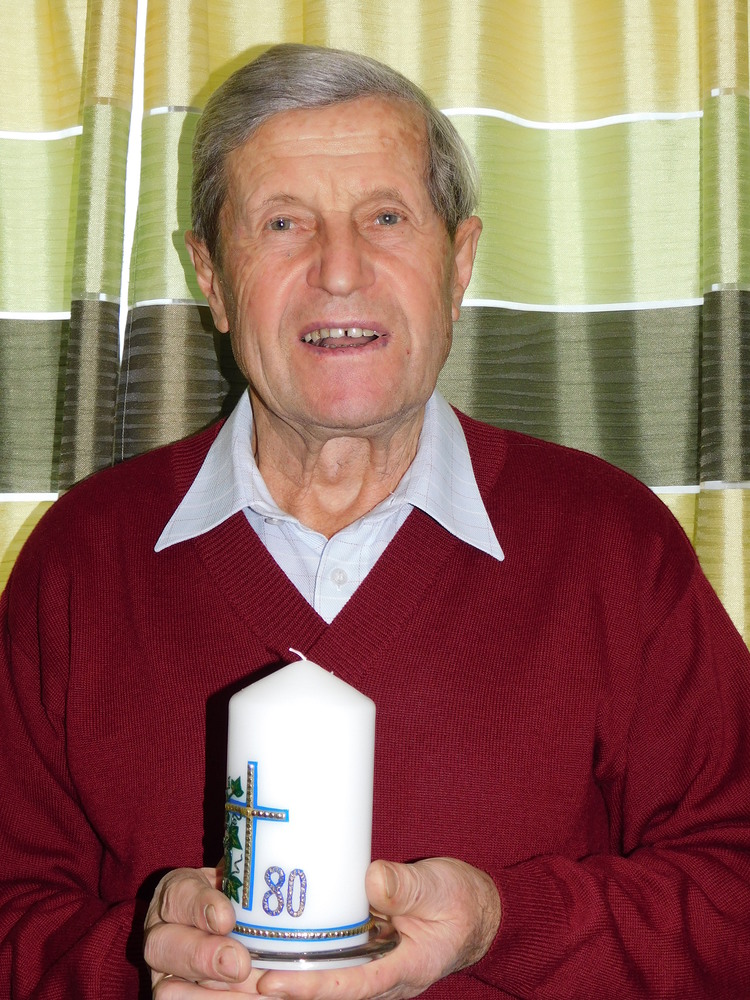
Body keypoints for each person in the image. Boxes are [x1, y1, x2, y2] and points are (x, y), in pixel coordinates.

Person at [1, 43, 749, 1000]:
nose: (340, 271)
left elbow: (734, 893)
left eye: (386, 218)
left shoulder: (611, 543)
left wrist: (501, 924)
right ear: (213, 280)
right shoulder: (82, 558)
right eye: (283, 223)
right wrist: (136, 957)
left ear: (459, 262)